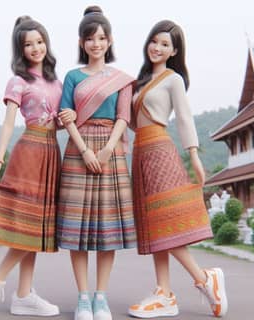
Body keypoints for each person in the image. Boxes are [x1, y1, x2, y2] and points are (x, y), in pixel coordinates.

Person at [128, 20, 228, 318]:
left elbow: (184, 118)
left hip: (160, 151)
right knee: (154, 226)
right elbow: (130, 122)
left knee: (164, 224)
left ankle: (203, 278)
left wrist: (194, 156)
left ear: (173, 51)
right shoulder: (140, 82)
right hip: (140, 153)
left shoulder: (172, 80)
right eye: (154, 41)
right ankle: (164, 292)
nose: (157, 48)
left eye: (165, 44)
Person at [0, 16, 65, 318]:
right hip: (29, 152)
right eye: (28, 44)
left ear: (46, 43)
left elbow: (61, 121)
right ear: (20, 49)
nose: (35, 48)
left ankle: (24, 294)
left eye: (39, 42)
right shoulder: (18, 81)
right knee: (27, 225)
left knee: (38, 228)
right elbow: (9, 122)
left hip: (52, 153)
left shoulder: (56, 82)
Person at [57, 5, 136, 320]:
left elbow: (123, 118)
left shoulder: (121, 79)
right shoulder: (73, 76)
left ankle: (100, 297)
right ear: (81, 42)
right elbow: (65, 117)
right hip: (78, 150)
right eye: (90, 38)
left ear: (110, 40)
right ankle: (82, 298)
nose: (96, 44)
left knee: (107, 228)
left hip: (112, 152)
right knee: (77, 228)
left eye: (101, 38)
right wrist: (86, 151)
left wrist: (104, 151)